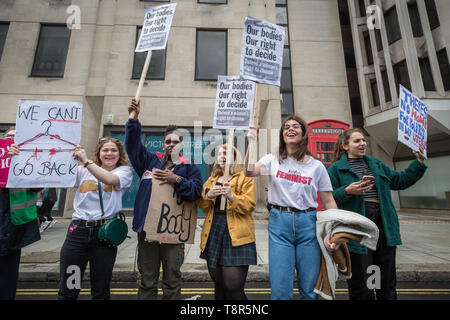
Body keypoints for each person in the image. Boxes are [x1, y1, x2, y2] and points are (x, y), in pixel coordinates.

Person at [244, 115, 339, 300]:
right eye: (286, 127)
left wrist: (333, 232)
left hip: (309, 225)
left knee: (310, 291)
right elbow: (248, 171)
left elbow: (328, 201)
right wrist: (252, 142)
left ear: (303, 134)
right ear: (282, 135)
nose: (290, 129)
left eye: (296, 126)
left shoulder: (317, 166)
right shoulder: (273, 160)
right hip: (280, 224)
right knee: (280, 292)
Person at [327, 128, 427, 300]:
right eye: (357, 141)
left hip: (383, 224)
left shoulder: (376, 164)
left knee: (386, 280)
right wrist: (347, 191)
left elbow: (400, 181)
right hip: (358, 228)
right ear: (345, 145)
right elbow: (328, 198)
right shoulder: (336, 169)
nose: (363, 143)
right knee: (362, 282)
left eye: (364, 140)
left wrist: (418, 162)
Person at [125, 99, 203, 300]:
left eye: (175, 142)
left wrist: (176, 179)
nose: (171, 145)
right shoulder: (148, 162)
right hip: (147, 230)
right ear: (163, 144)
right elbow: (133, 146)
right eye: (167, 141)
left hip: (174, 233)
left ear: (181, 145)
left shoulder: (190, 168)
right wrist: (134, 120)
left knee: (171, 281)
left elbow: (195, 192)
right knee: (147, 281)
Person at [57, 137, 132, 300]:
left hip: (104, 236)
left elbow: (110, 180)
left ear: (120, 154)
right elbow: (57, 174)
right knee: (70, 287)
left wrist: (85, 160)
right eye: (105, 150)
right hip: (78, 234)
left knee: (100, 289)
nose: (110, 153)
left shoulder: (124, 171)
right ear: (99, 153)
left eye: (114, 150)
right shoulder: (82, 171)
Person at [197, 144, 257, 300]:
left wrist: (232, 196)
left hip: (237, 235)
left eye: (226, 153)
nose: (222, 156)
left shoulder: (245, 178)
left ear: (235, 158)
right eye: (219, 154)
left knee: (233, 288)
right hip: (214, 231)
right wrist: (208, 195)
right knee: (219, 284)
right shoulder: (212, 179)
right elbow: (203, 207)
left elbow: (249, 206)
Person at [0, 126, 41, 300]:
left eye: (18, 138)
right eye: (10, 137)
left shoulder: (31, 162)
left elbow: (37, 186)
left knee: (7, 279)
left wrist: (21, 161)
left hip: (13, 228)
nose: (13, 141)